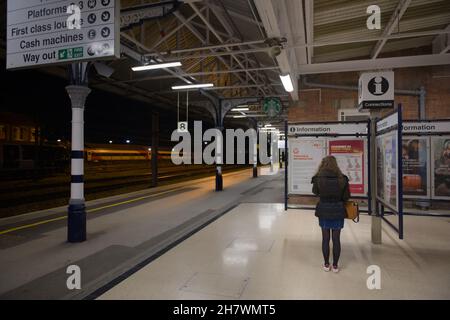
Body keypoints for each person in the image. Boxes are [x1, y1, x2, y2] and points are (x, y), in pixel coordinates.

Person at [311, 156, 350, 273]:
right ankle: (336, 265)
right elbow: (346, 196)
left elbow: (315, 192)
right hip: (338, 210)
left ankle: (326, 264)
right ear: (335, 164)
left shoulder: (318, 178)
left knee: (325, 238)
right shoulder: (342, 179)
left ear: (323, 164)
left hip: (324, 210)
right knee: (336, 239)